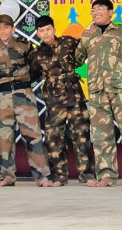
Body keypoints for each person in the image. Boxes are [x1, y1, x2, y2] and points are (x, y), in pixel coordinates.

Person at [74, 0, 122, 187]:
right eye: (93, 9)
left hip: (119, 89)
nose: (96, 12)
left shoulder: (121, 31)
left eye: (100, 9)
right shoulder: (87, 34)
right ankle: (106, 175)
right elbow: (77, 58)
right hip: (97, 90)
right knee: (101, 135)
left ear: (110, 12)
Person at [28, 16, 95, 187]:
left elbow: (87, 50)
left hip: (75, 96)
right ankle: (59, 176)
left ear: (54, 29)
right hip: (54, 101)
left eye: (48, 29)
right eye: (41, 31)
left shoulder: (68, 42)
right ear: (37, 33)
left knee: (82, 137)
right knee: (54, 139)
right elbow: (31, 75)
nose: (45, 33)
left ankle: (87, 175)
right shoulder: (36, 54)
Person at [0, 14, 52, 187]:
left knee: (33, 135)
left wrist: (26, 82)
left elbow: (36, 69)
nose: (2, 31)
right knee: (4, 138)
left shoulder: (25, 46)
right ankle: (7, 176)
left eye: (6, 27)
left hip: (24, 94)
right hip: (3, 98)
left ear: (13, 29)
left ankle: (42, 176)